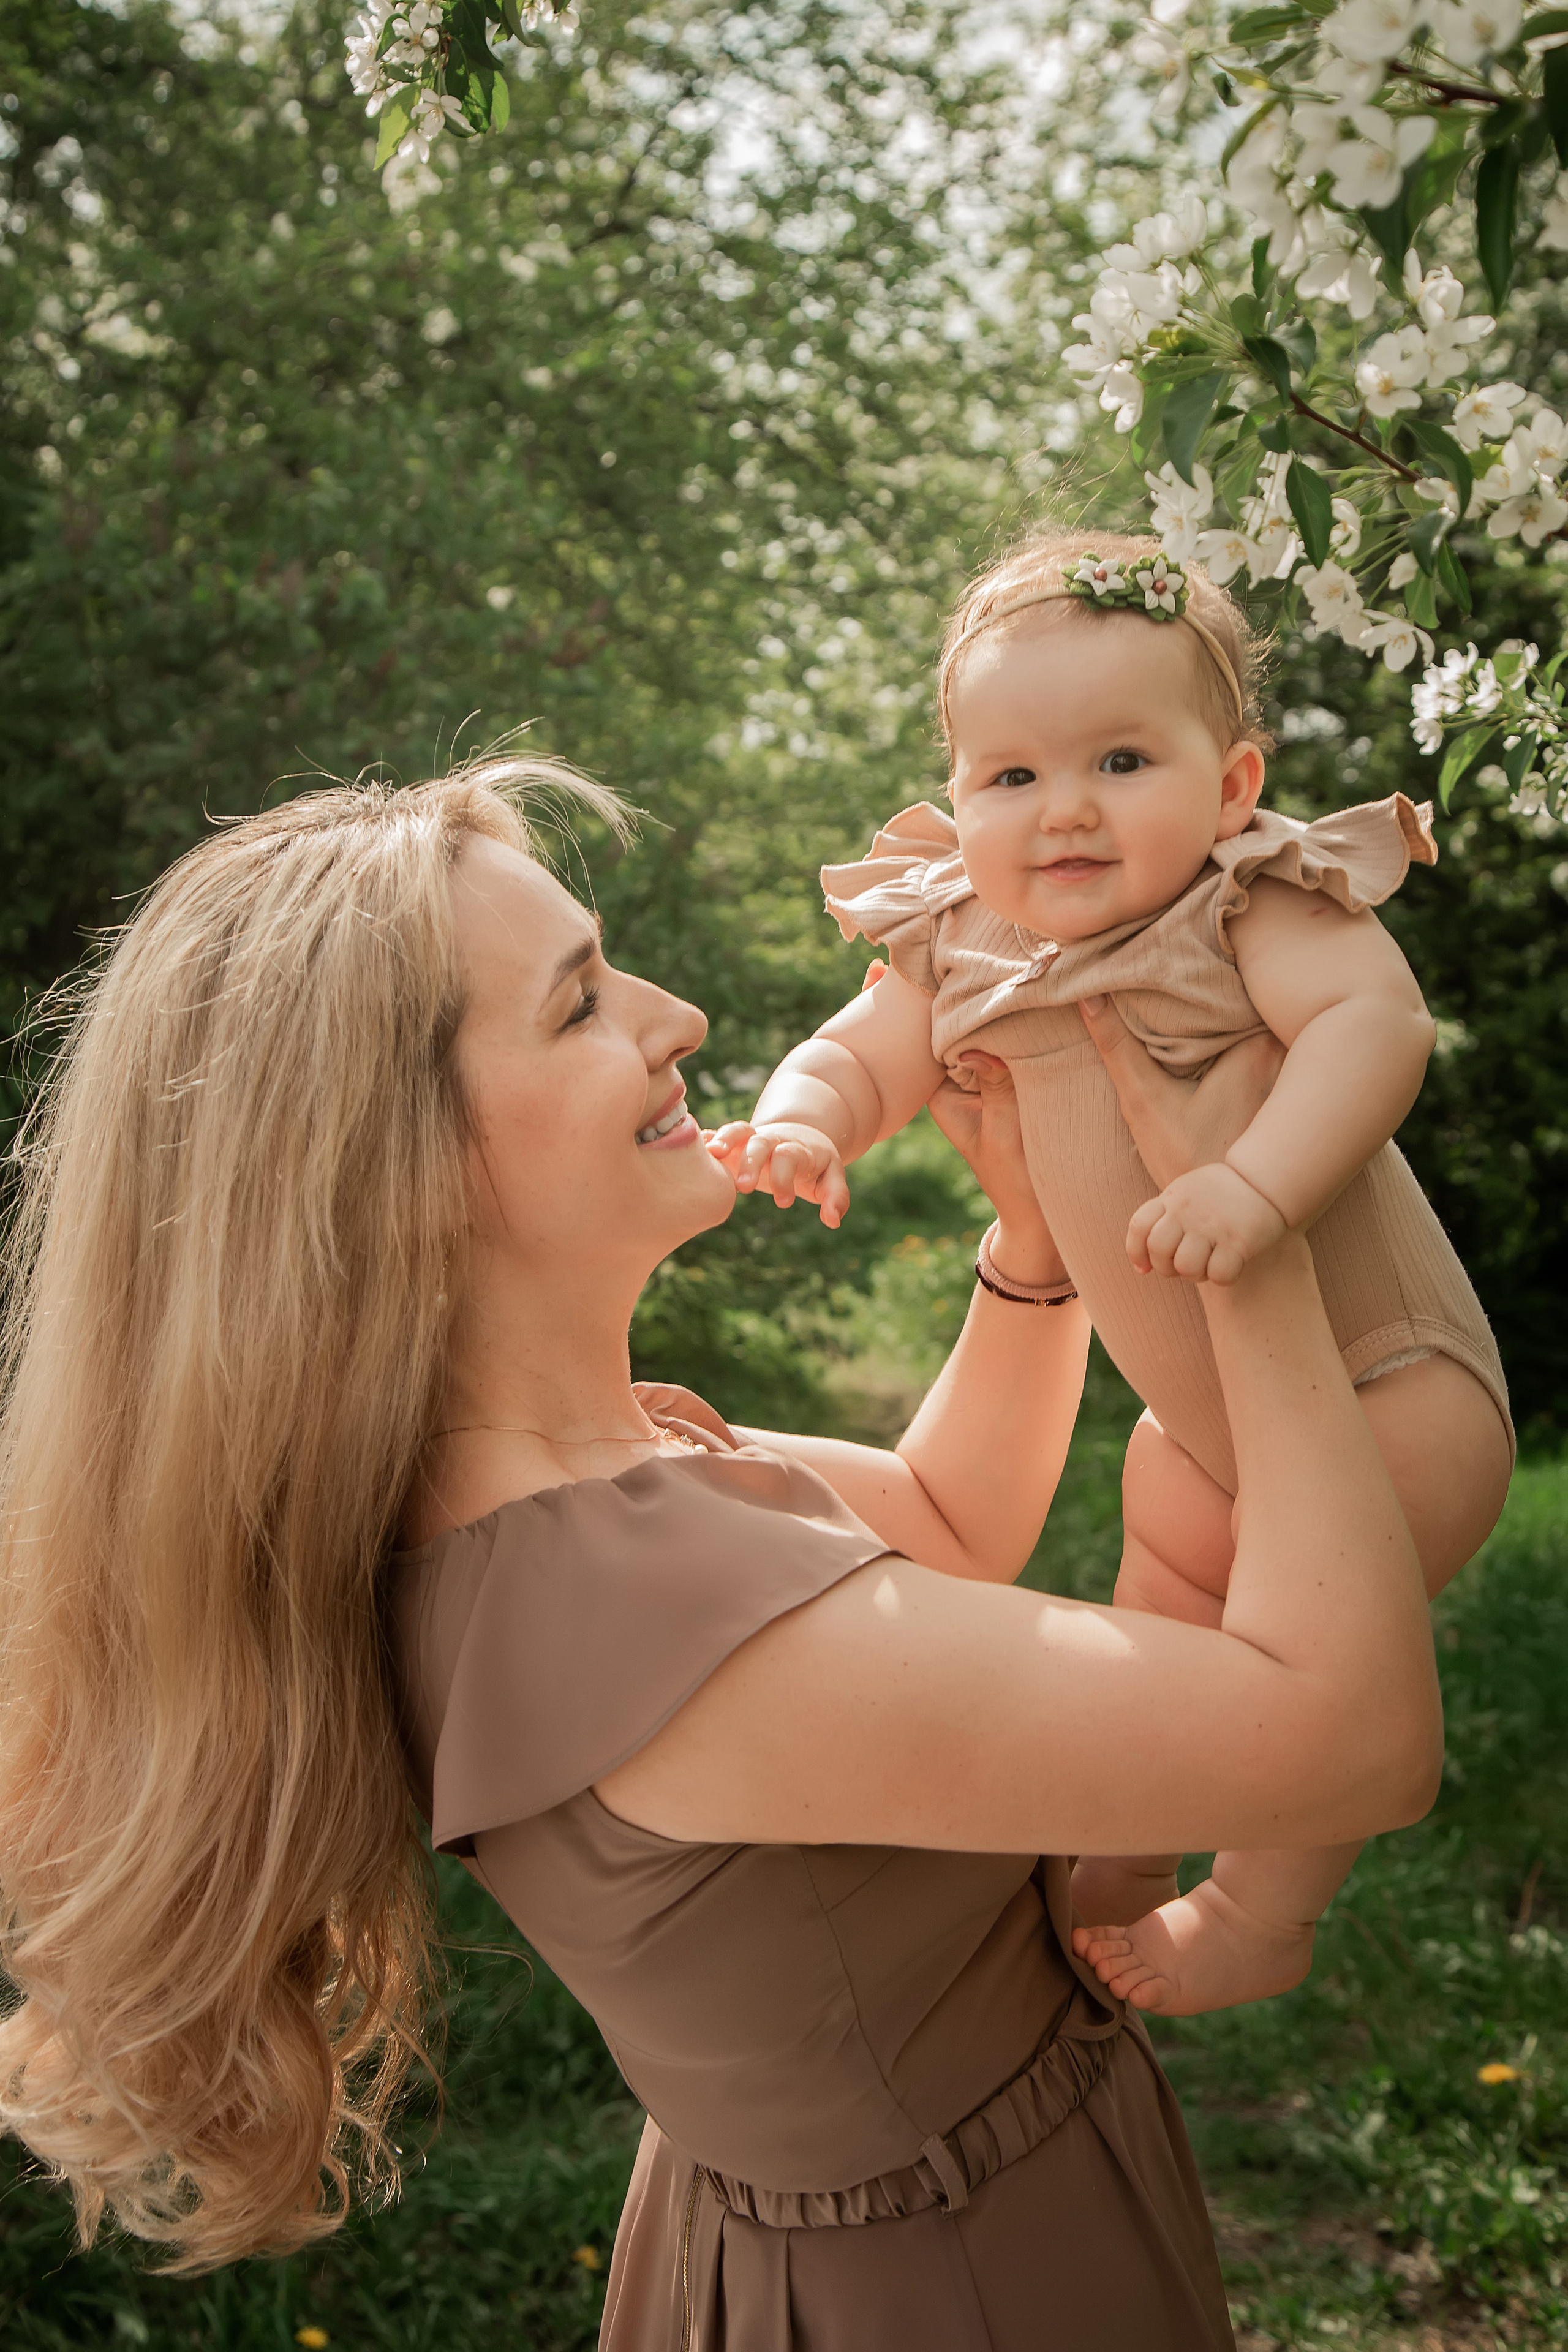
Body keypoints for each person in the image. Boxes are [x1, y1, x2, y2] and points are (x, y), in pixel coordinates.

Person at [0, 764, 1440, 2351]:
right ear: (395, 1170)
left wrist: (1034, 1248)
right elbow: (1350, 1741)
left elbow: (941, 1521)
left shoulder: (556, 1495)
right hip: (953, 2284)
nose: (674, 1017)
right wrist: (1253, 1254)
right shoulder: (636, 1614)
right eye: (580, 1005)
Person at [715, 527, 1512, 2018]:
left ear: (1231, 786)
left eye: (1121, 763)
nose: (1063, 808)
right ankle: (1126, 1845)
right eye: (1011, 776)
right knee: (1164, 1593)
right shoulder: (962, 936)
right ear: (959, 799)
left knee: (1325, 1655)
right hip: (1210, 1427)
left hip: (1387, 1386)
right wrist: (804, 1122)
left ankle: (1262, 1909)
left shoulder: (1243, 902)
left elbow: (1374, 1028)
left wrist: (1255, 1184)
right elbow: (858, 1054)